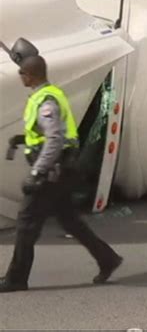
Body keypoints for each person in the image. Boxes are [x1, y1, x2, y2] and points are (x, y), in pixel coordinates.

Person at [0, 56, 122, 293]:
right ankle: (107, 259)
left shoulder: (46, 101)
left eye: (22, 74)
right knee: (70, 221)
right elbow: (47, 135)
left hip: (52, 171)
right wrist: (22, 140)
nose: (20, 77)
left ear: (30, 75)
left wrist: (37, 172)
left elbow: (54, 140)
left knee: (26, 222)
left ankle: (16, 278)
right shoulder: (48, 94)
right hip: (61, 170)